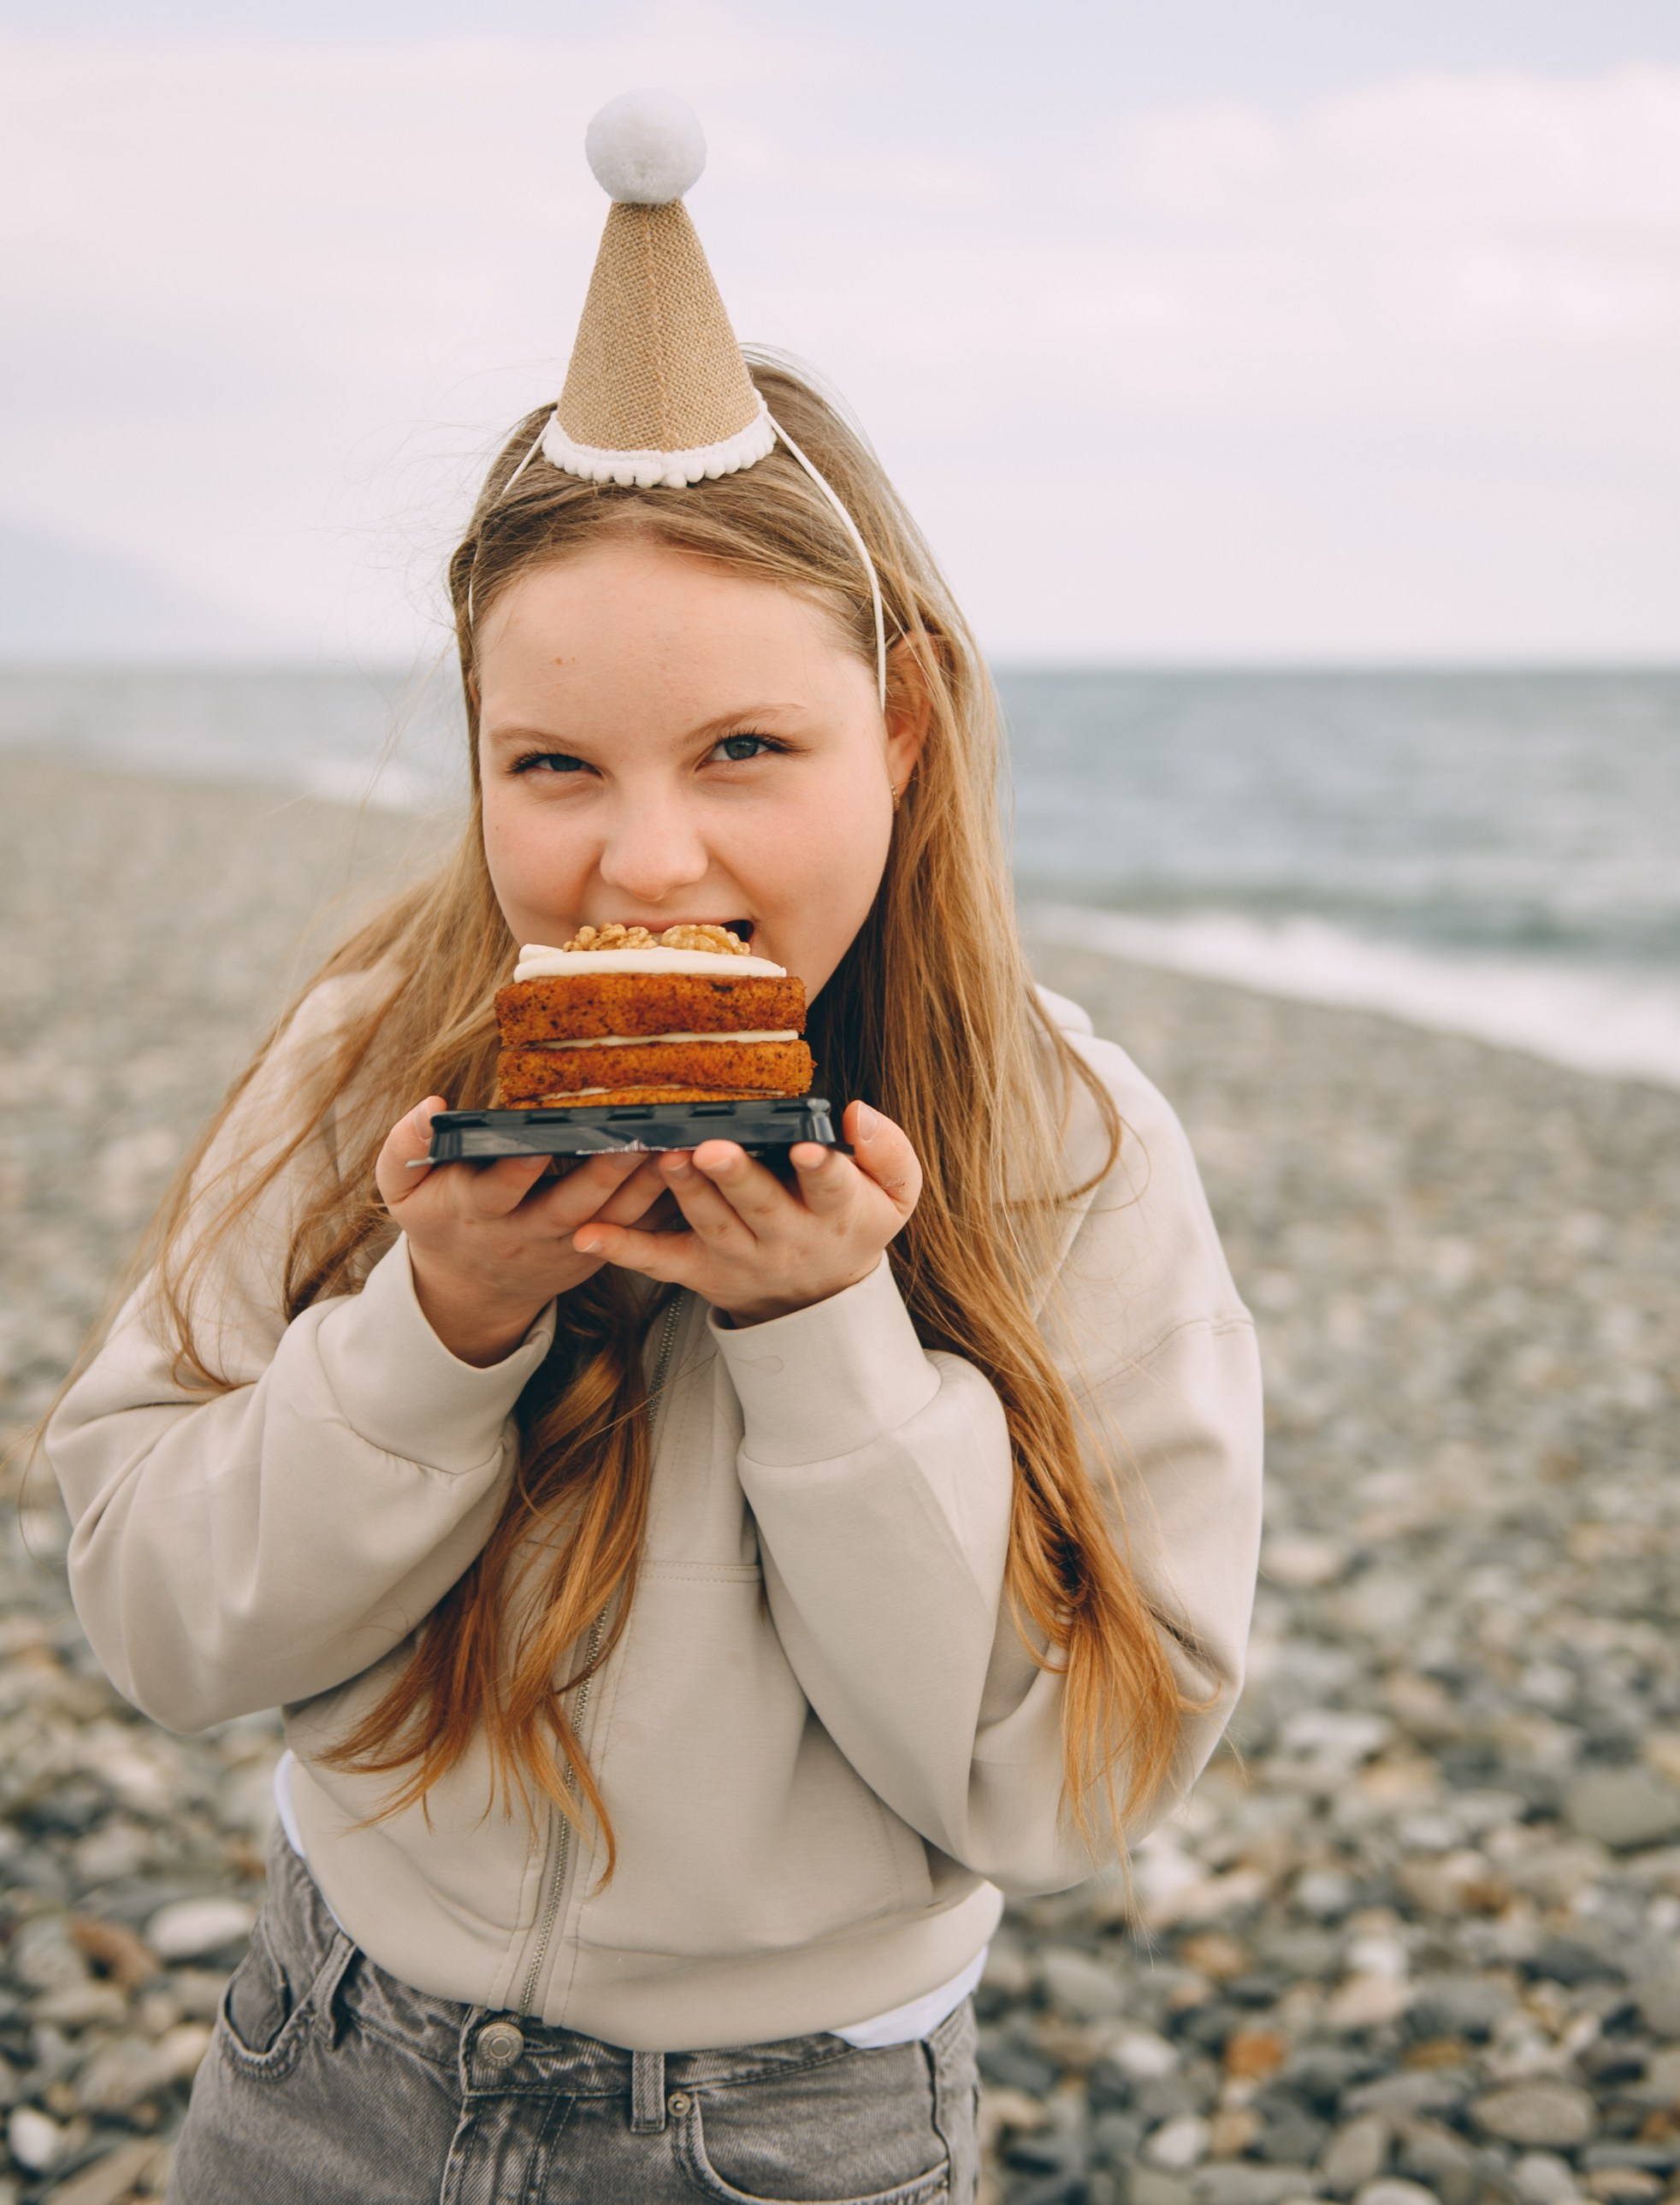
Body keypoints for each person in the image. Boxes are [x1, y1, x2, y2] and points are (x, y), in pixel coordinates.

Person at [44, 92, 1262, 2205]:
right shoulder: (370, 1065)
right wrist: (440, 1321)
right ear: (474, 744)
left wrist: (825, 1339)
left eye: (746, 751)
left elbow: (1065, 1784)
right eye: (554, 763)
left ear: (898, 727)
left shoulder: (1066, 1149)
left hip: (788, 2133)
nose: (643, 858)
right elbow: (156, 1623)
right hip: (321, 2057)